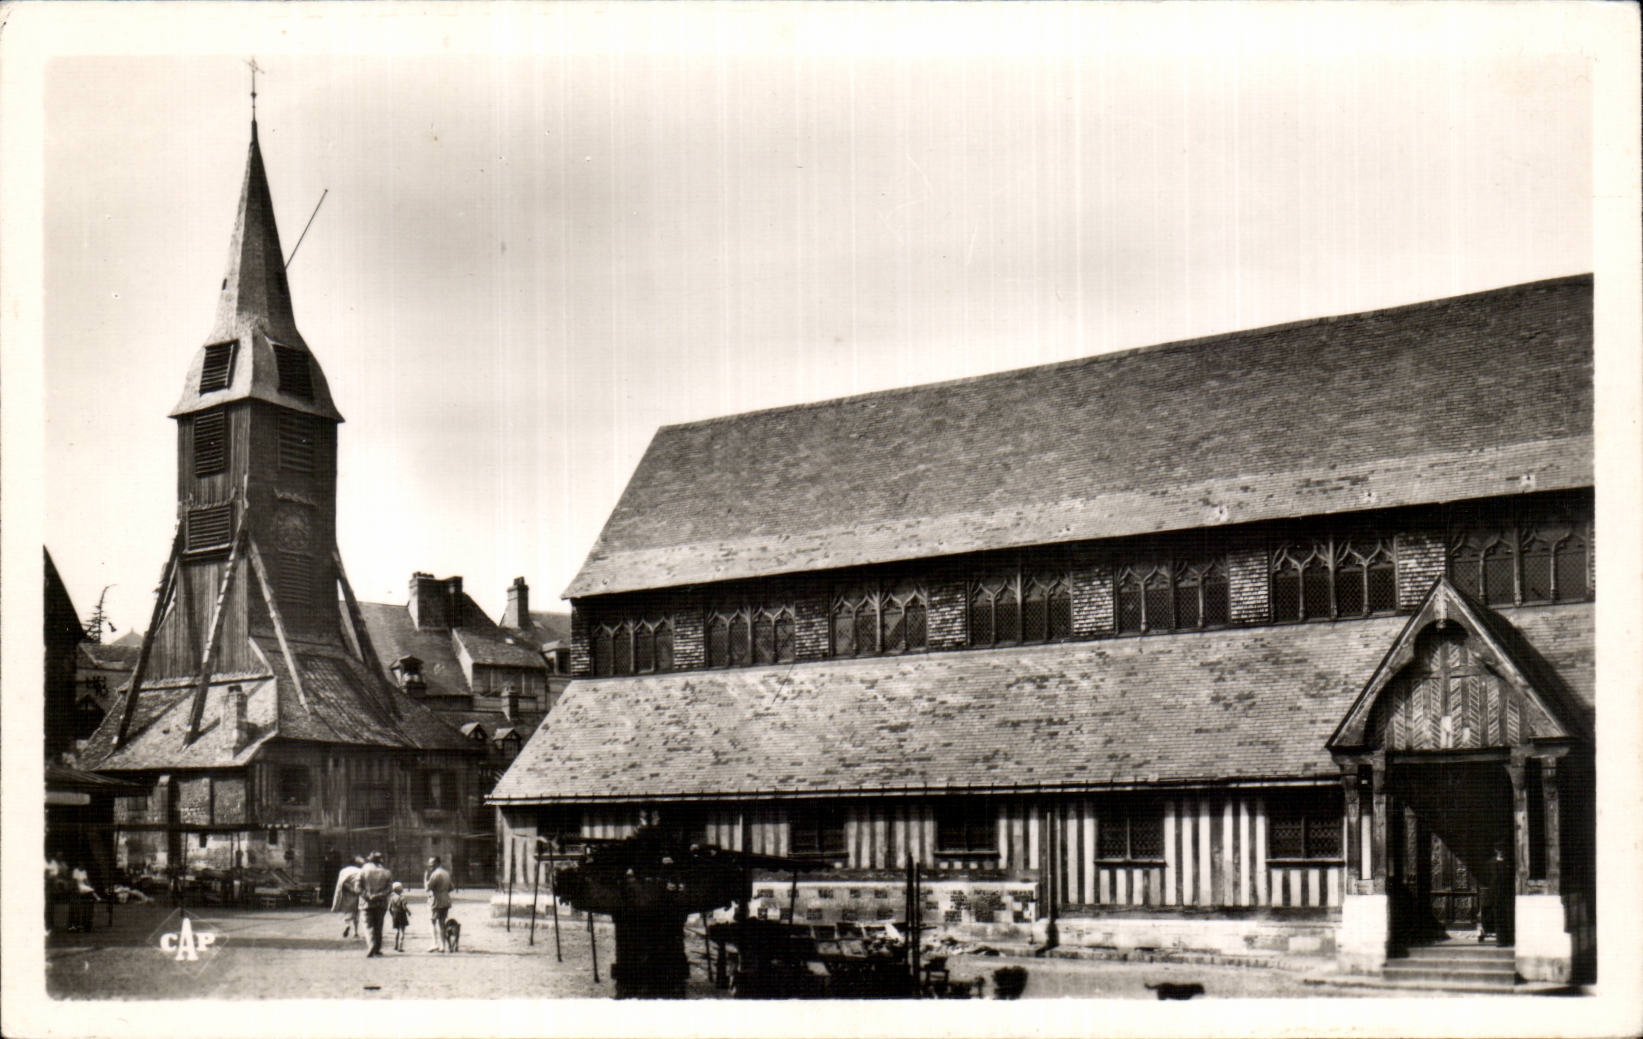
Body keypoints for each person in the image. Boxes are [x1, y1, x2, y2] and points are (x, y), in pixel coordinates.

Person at [358, 851, 394, 958]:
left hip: (366, 902)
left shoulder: (363, 871)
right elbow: (389, 889)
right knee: (379, 926)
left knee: (368, 925)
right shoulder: (386, 872)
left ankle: (371, 945)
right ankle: (377, 948)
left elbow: (357, 887)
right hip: (381, 903)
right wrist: (379, 895)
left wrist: (367, 895)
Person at [424, 856, 453, 953]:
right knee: (442, 923)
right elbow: (451, 887)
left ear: (436, 863)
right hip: (446, 900)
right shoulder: (446, 873)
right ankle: (443, 946)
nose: (430, 866)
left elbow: (427, 888)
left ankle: (434, 943)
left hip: (436, 901)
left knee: (433, 922)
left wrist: (425, 879)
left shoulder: (435, 874)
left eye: (431, 864)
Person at [331, 855, 364, 939]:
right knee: (357, 912)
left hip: (347, 893)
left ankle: (347, 925)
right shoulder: (361, 871)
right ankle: (356, 932)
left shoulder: (344, 871)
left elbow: (341, 883)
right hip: (357, 893)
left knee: (347, 911)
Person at [387, 882, 411, 952]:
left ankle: (395, 945)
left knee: (397, 931)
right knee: (402, 931)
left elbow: (389, 908)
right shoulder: (402, 898)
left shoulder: (392, 898)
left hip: (395, 914)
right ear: (400, 889)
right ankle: (400, 946)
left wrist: (392, 915)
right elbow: (404, 907)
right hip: (402, 915)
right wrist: (408, 912)